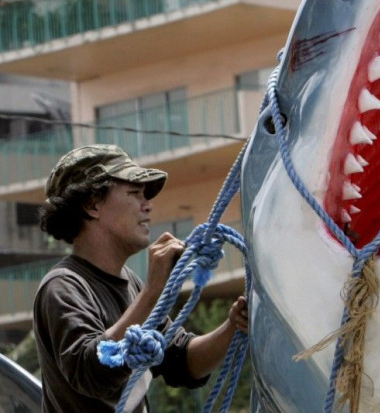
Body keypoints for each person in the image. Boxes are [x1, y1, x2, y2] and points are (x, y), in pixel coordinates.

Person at [33, 144, 248, 412]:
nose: (148, 206)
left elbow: (181, 361)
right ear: (92, 205)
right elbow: (91, 372)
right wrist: (153, 291)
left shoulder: (131, 284)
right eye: (134, 193)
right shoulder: (63, 286)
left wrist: (233, 325)